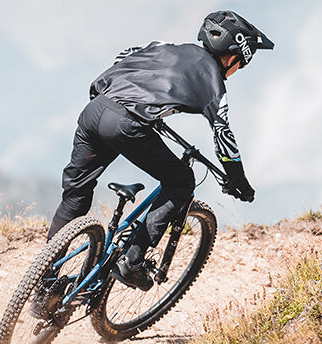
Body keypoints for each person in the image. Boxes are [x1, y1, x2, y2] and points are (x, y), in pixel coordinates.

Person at [47, 10, 272, 290]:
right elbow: (223, 135)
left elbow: (125, 55)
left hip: (94, 110)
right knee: (181, 181)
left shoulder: (166, 47)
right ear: (232, 57)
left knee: (75, 197)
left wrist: (140, 103)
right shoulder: (214, 82)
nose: (238, 70)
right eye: (242, 64)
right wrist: (238, 181)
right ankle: (132, 260)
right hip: (126, 124)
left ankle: (45, 283)